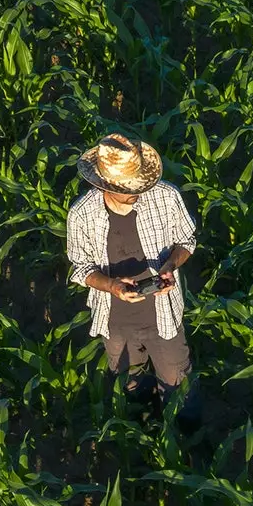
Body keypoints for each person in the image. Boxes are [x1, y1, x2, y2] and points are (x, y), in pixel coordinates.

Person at [65, 134, 201, 428]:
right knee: (130, 384)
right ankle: (143, 436)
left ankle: (187, 443)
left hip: (163, 316)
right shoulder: (82, 214)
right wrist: (113, 286)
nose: (138, 191)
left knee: (179, 384)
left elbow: (187, 241)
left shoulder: (165, 196)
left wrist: (169, 265)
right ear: (105, 185)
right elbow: (80, 268)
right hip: (115, 322)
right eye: (129, 188)